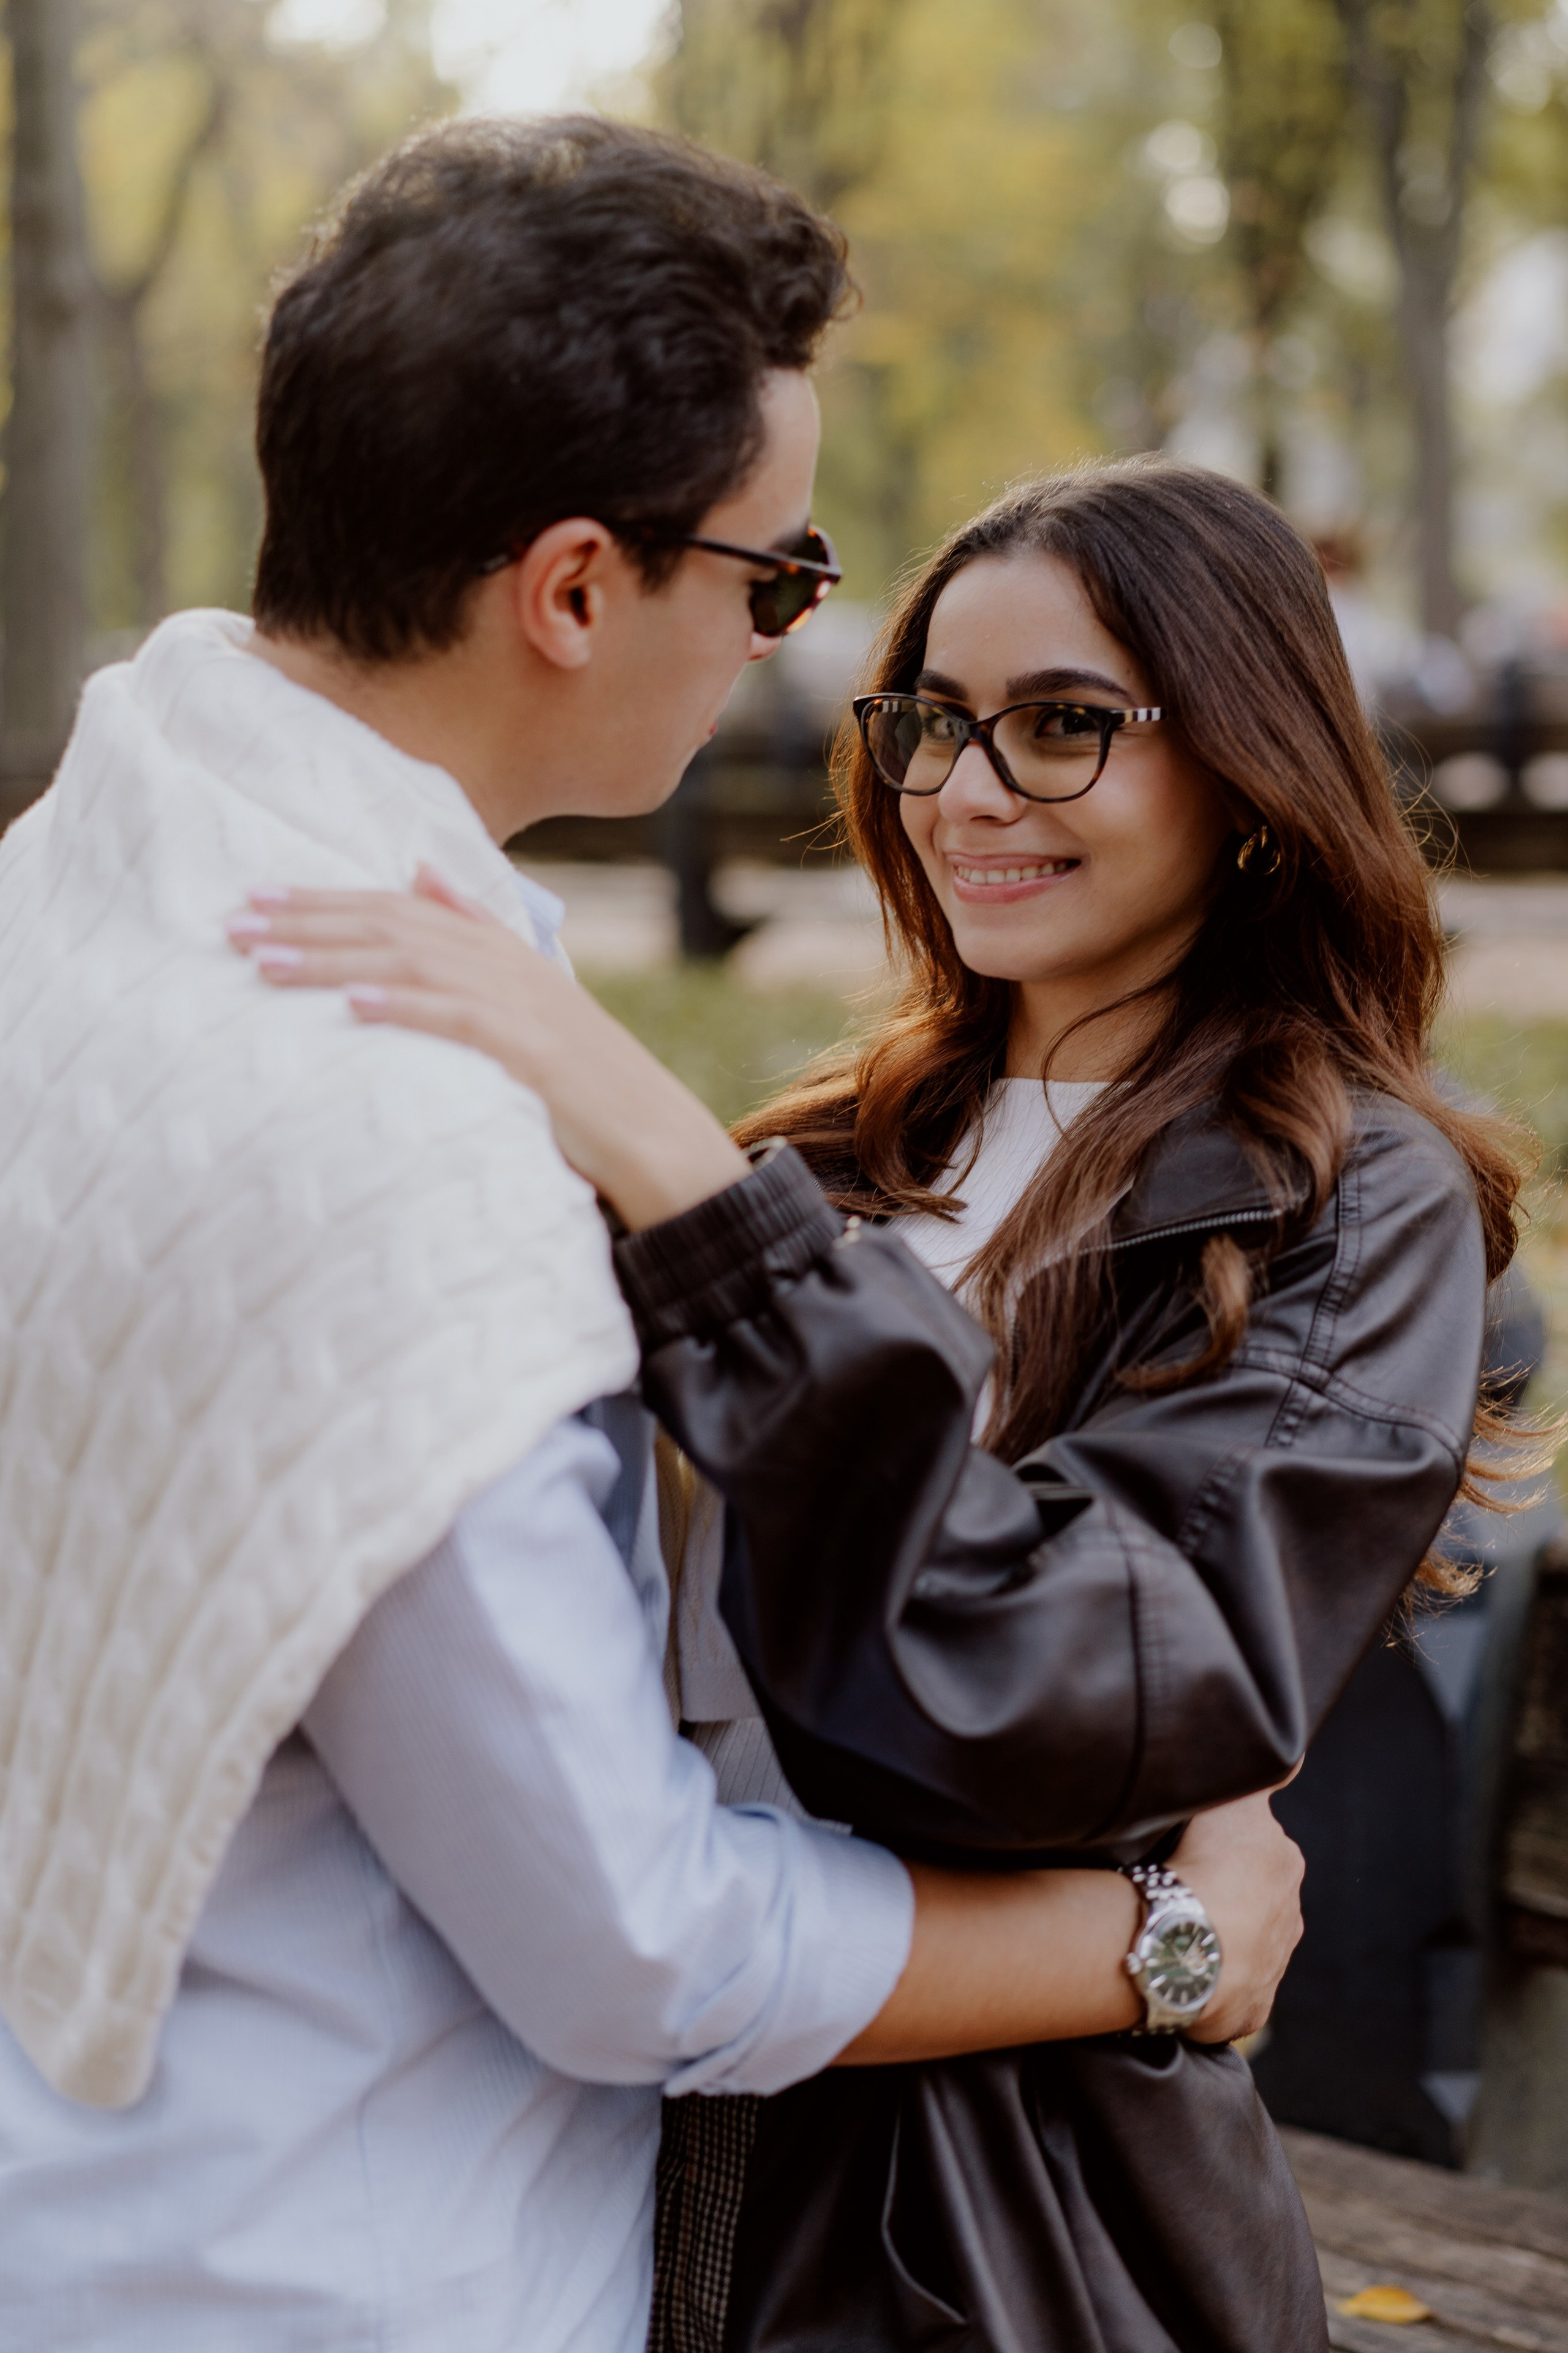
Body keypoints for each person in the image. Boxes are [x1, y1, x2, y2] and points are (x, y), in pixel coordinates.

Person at [0, 125, 1301, 2353]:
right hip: (325, 2263)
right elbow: (635, 1942)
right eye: (783, 583)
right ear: (581, 589)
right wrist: (1166, 1942)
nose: (797, 649)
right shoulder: (398, 1124)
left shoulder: (73, 898)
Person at [240, 456, 1525, 2351]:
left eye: (1066, 725)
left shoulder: (1343, 1191)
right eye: (934, 723)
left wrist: (679, 1178)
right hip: (574, 2143)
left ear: (1251, 761)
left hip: (989, 2214)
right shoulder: (819, 1161)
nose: (969, 791)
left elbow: (1067, 1693)